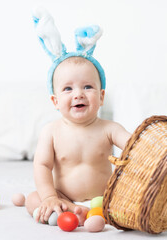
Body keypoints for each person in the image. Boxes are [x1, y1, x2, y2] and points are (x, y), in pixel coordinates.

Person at [26, 9, 131, 226]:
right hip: (62, 197)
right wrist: (49, 197)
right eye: (67, 89)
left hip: (106, 199)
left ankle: (93, 214)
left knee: (129, 198)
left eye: (87, 86)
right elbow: (42, 166)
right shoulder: (51, 131)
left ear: (101, 97)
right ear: (55, 101)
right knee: (32, 199)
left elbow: (135, 147)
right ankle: (72, 210)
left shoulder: (110, 129)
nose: (78, 94)